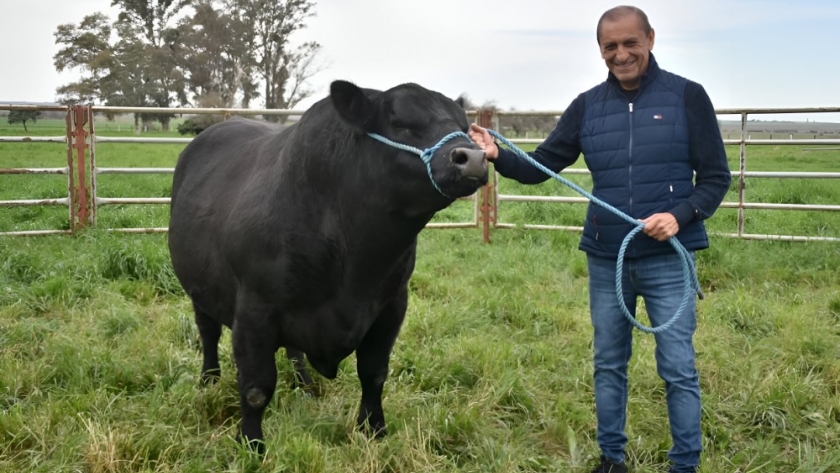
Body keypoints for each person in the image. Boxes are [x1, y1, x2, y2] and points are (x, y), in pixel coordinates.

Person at [469, 5, 731, 473]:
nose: (621, 54)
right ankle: (612, 459)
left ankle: (685, 464)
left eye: (630, 42)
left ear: (650, 38)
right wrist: (498, 155)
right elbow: (545, 163)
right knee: (609, 363)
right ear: (600, 50)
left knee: (677, 368)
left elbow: (714, 178)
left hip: (669, 258)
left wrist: (679, 215)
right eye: (610, 46)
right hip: (607, 256)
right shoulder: (588, 105)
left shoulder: (688, 96)